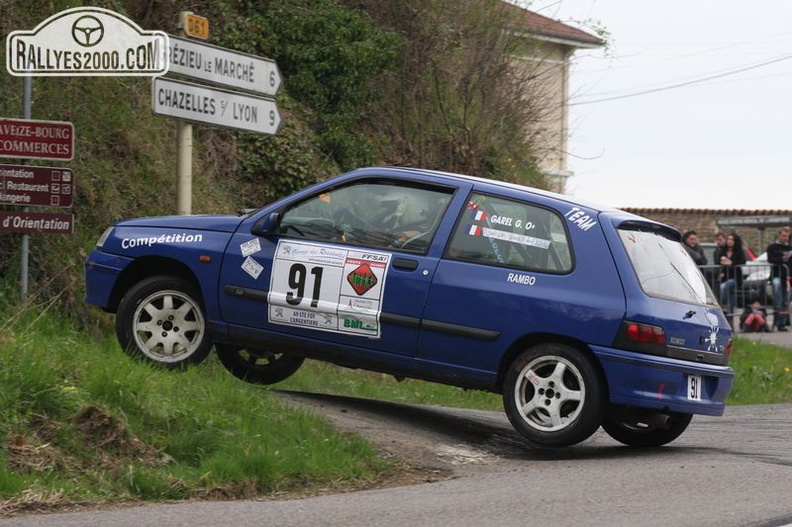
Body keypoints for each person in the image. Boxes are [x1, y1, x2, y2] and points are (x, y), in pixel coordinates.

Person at [766, 226, 792, 331]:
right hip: (776, 275)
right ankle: (777, 321)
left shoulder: (790, 248)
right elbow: (770, 259)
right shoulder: (772, 247)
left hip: (787, 277)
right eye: (783, 235)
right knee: (778, 298)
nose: (785, 237)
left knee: (786, 300)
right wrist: (781, 259)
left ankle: (783, 323)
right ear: (779, 235)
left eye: (787, 236)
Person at [715, 232, 746, 315]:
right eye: (728, 239)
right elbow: (717, 261)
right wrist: (722, 261)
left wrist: (731, 263)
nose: (729, 241)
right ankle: (730, 319)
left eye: (732, 239)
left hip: (735, 278)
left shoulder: (739, 251)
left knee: (724, 287)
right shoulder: (723, 251)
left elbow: (743, 261)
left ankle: (725, 306)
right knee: (730, 298)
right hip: (725, 277)